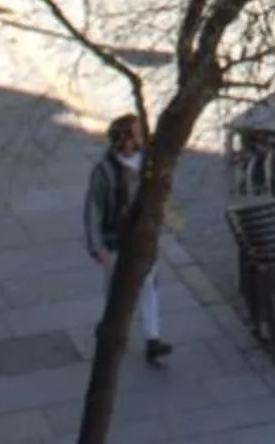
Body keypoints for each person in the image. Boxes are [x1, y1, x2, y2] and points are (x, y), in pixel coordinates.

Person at [84, 114, 172, 364]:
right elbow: (93, 210)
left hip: (143, 237)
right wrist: (97, 247)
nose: (138, 138)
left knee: (149, 285)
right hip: (115, 240)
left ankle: (152, 338)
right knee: (116, 290)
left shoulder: (148, 162)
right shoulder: (104, 172)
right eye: (134, 134)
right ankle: (112, 332)